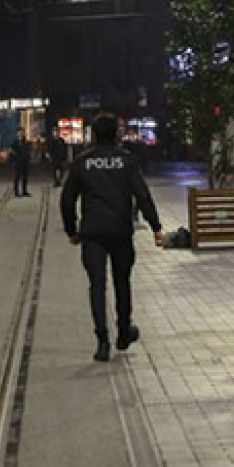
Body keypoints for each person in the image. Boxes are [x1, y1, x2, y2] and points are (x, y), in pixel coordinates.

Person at [61, 114, 163, 362]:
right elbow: (142, 195)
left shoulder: (82, 162)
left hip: (92, 232)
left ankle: (102, 341)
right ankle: (124, 332)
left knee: (97, 285)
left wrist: (72, 230)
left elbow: (67, 199)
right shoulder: (126, 160)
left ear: (93, 134)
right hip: (120, 231)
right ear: (116, 134)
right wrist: (155, 226)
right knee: (122, 282)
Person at [11, 128, 32, 197]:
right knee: (17, 176)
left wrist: (28, 155)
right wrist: (16, 156)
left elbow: (28, 149)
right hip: (18, 161)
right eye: (19, 132)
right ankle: (16, 192)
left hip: (25, 161)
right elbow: (12, 150)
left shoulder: (25, 141)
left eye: (22, 132)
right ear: (17, 133)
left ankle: (24, 191)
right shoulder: (15, 141)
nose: (21, 134)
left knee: (25, 177)